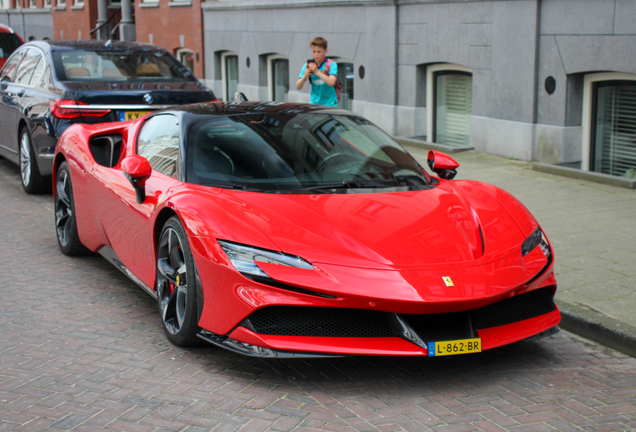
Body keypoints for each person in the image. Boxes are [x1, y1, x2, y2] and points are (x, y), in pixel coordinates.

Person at [296, 37, 338, 107]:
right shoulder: (307, 65)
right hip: (314, 104)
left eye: (319, 51)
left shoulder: (331, 64)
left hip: (330, 104)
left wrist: (316, 71)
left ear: (325, 51)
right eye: (314, 51)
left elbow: (331, 82)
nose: (316, 54)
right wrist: (305, 76)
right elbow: (298, 86)